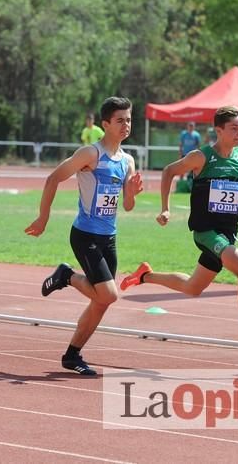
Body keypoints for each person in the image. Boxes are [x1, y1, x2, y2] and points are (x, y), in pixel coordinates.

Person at [120, 105, 238, 358]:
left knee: (192, 287)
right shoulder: (202, 156)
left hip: (227, 235)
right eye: (233, 128)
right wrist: (165, 209)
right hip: (206, 232)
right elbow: (168, 171)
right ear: (218, 130)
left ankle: (145, 275)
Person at [25, 97, 143, 376]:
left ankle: (72, 355)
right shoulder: (91, 154)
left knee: (101, 303)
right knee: (108, 295)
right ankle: (67, 276)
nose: (126, 125)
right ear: (105, 124)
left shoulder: (127, 161)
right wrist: (43, 217)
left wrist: (131, 194)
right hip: (85, 234)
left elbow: (127, 206)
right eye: (120, 120)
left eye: (129, 119)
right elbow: (53, 178)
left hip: (109, 237)